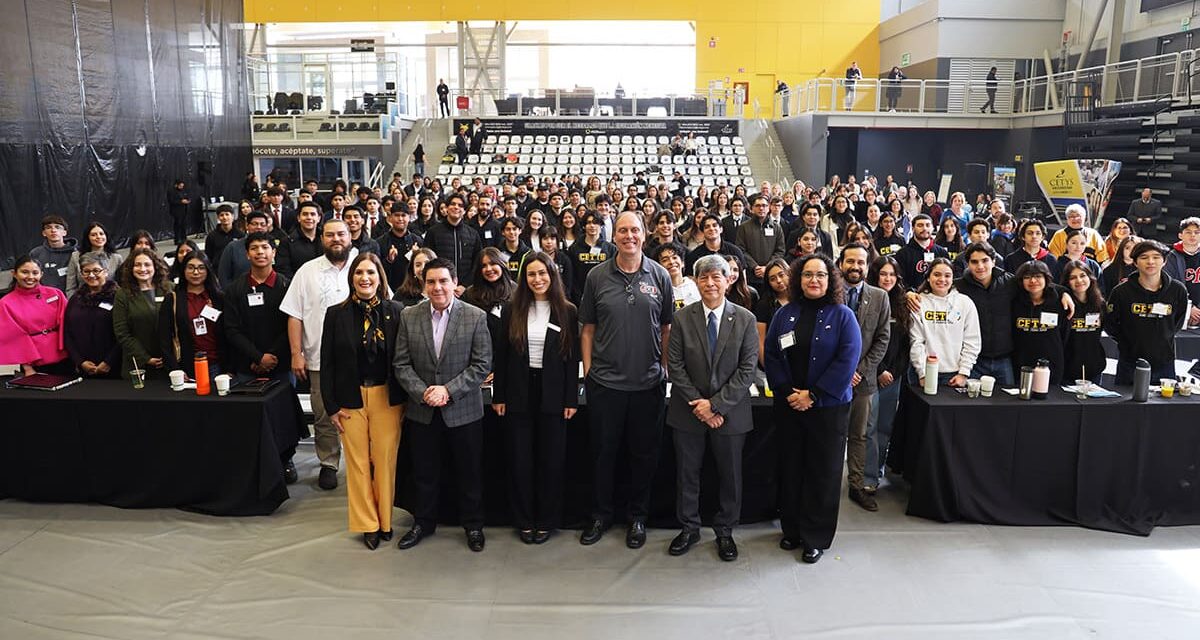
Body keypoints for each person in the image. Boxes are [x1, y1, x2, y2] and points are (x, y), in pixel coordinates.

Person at [578, 212, 674, 549]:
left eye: (635, 230)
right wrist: (589, 372)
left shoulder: (660, 275)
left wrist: (663, 368)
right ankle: (600, 515)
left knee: (643, 456)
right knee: (603, 455)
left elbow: (666, 328)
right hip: (605, 384)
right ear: (613, 235)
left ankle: (637, 518)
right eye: (622, 230)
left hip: (648, 385)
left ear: (644, 235)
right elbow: (587, 328)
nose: (629, 236)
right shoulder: (596, 276)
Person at [763, 253, 861, 564]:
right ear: (798, 279)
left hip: (828, 408)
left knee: (823, 472)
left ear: (831, 279)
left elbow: (847, 360)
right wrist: (788, 392)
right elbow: (772, 355)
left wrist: (813, 396)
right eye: (807, 275)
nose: (814, 280)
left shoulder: (843, 315)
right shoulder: (785, 314)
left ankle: (815, 536)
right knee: (791, 467)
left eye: (820, 275)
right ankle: (791, 529)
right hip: (789, 404)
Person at [393, 258, 493, 552]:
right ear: (423, 285)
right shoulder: (409, 316)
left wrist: (447, 391)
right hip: (422, 410)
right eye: (431, 282)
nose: (437, 287)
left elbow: (481, 364)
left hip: (463, 410)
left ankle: (473, 525)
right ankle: (423, 522)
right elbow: (401, 364)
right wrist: (423, 392)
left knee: (469, 472)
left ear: (454, 282)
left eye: (443, 281)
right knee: (425, 472)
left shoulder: (475, 316)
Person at [664, 254, 758, 561]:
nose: (710, 283)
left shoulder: (744, 318)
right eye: (703, 277)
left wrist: (716, 406)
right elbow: (675, 365)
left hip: (730, 413)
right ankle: (689, 527)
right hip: (688, 411)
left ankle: (725, 531)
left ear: (728, 280)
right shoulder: (681, 317)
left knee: (730, 475)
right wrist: (700, 406)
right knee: (686, 474)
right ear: (695, 281)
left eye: (717, 276)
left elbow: (747, 370)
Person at [318, 252, 406, 550]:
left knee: (384, 461)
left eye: (370, 272)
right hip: (349, 399)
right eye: (358, 273)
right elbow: (326, 363)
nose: (364, 278)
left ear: (380, 277)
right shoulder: (335, 314)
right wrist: (331, 406)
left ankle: (385, 521)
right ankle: (367, 523)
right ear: (351, 277)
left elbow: (403, 360)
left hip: (387, 397)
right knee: (357, 464)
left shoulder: (396, 312)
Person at [492, 252, 580, 545]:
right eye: (531, 274)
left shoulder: (567, 310)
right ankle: (524, 520)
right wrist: (499, 395)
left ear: (552, 275)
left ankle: (547, 519)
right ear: (523, 278)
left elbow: (571, 359)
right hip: (518, 391)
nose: (537, 279)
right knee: (520, 460)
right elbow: (501, 357)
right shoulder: (511, 310)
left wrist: (570, 400)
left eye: (542, 273)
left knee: (551, 460)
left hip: (554, 394)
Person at [280, 219, 358, 490]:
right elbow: (294, 315)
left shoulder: (364, 266)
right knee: (324, 414)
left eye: (341, 234)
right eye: (330, 235)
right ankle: (328, 463)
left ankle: (366, 464)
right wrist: (296, 352)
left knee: (362, 413)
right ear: (321, 239)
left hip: (361, 361)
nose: (336, 239)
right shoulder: (307, 271)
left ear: (351, 236)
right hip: (318, 359)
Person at [839, 243, 891, 513]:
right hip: (832, 381)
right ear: (841, 264)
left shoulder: (880, 297)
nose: (855, 266)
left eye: (860, 262)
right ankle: (826, 484)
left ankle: (857, 484)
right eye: (850, 261)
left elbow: (882, 339)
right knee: (832, 434)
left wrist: (860, 371)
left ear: (867, 266)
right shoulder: (829, 294)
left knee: (859, 435)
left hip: (864, 381)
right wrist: (843, 372)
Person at [1103, 240, 1190, 384]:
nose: (1150, 261)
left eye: (1156, 257)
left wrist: (1162, 336)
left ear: (1164, 261)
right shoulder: (1121, 292)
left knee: (1165, 406)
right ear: (1135, 262)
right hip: (1130, 362)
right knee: (1127, 405)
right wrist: (1127, 342)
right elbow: (1110, 323)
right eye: (1144, 257)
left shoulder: (1177, 290)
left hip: (1164, 362)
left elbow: (1178, 322)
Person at [866, 255, 909, 490]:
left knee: (885, 427)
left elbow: (906, 346)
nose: (888, 278)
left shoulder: (903, 302)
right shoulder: (868, 299)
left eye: (892, 274)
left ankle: (878, 468)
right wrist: (880, 370)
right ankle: (868, 477)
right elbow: (866, 341)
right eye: (883, 274)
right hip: (871, 375)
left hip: (894, 377)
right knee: (868, 428)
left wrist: (893, 372)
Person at [908, 258, 981, 388]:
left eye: (947, 275)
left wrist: (964, 373)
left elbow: (972, 341)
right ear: (928, 277)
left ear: (953, 278)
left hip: (955, 375)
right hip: (925, 373)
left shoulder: (965, 303)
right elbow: (916, 341)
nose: (942, 279)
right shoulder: (918, 302)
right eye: (937, 275)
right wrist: (923, 373)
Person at [159, 250, 225, 380]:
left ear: (208, 271)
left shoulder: (219, 298)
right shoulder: (173, 300)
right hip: (187, 368)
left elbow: (229, 333)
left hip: (218, 366)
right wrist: (175, 370)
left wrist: (230, 369)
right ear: (183, 270)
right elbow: (164, 339)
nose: (196, 272)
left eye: (201, 268)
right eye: (191, 268)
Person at [0, 256, 69, 376]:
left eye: (35, 273)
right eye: (24, 272)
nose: (30, 277)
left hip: (64, 356)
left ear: (41, 274)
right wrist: (27, 368)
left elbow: (68, 325)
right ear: (14, 274)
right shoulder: (6, 303)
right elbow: (13, 338)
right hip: (33, 361)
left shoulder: (55, 294)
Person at [112, 248, 173, 381]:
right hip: (137, 365)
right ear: (131, 269)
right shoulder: (123, 295)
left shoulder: (170, 289)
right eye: (137, 265)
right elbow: (122, 333)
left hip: (171, 363)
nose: (142, 268)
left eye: (147, 264)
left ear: (155, 266)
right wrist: (146, 358)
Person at [1011, 261, 1069, 385]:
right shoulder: (1014, 301)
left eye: (1038, 276)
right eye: (1027, 277)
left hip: (1051, 364)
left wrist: (1064, 292)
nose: (1032, 281)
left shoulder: (1058, 302)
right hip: (1020, 364)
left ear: (1046, 278)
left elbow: (1065, 332)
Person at [64, 253, 121, 378]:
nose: (91, 275)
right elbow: (67, 333)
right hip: (82, 368)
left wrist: (108, 362)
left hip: (114, 367)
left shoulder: (119, 297)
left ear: (106, 272)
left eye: (96, 270)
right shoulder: (75, 299)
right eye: (86, 271)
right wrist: (80, 361)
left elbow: (125, 333)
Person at [422, 192, 481, 295]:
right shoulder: (433, 232)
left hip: (466, 291)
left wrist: (464, 286)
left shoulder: (473, 234)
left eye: (460, 205)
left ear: (464, 210)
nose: (456, 207)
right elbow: (429, 261)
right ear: (447, 208)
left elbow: (477, 263)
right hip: (440, 289)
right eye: (453, 204)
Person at [463, 246, 516, 358]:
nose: (488, 269)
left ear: (501, 264)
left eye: (493, 263)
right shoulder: (470, 294)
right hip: (480, 355)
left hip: (510, 355)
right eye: (484, 266)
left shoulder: (515, 291)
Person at [1062, 260, 1107, 385]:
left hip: (1094, 368)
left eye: (1083, 276)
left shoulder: (1100, 304)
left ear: (1090, 278)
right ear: (1067, 282)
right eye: (1073, 278)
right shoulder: (1063, 304)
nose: (1079, 281)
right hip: (1067, 371)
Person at [736, 193, 786, 294]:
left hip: (771, 275)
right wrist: (754, 266)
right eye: (758, 206)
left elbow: (780, 250)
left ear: (769, 208)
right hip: (751, 276)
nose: (761, 208)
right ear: (752, 208)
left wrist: (767, 267)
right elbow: (740, 250)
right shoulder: (743, 227)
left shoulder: (776, 227)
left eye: (764, 205)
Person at [66, 221, 123, 296]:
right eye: (93, 235)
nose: (99, 237)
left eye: (101, 234)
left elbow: (122, 285)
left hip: (110, 301)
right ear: (87, 238)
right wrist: (75, 303)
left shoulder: (117, 258)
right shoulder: (75, 256)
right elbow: (70, 287)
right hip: (82, 301)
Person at [217, 210, 269, 288]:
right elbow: (223, 276)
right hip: (238, 294)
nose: (259, 227)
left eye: (262, 224)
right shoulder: (233, 247)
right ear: (247, 225)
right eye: (255, 224)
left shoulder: (271, 246)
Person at [29, 215, 78, 296]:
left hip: (71, 298)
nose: (53, 230)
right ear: (44, 233)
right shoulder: (35, 253)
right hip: (44, 299)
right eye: (48, 227)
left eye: (57, 227)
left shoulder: (76, 253)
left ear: (64, 232)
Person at [1165, 217, 1200, 329]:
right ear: (1180, 235)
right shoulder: (1172, 257)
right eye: (1188, 232)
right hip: (1181, 310)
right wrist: (1189, 309)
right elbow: (1169, 286)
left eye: (1196, 232)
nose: (1193, 235)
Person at [895, 214, 949, 287]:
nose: (925, 228)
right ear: (913, 228)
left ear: (932, 228)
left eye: (928, 225)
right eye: (920, 225)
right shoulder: (902, 254)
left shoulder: (942, 252)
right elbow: (900, 280)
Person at [377, 204, 423, 290]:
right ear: (390, 218)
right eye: (397, 215)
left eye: (403, 215)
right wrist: (389, 260)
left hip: (413, 289)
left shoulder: (417, 241)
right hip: (389, 289)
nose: (400, 219)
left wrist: (416, 256)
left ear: (409, 218)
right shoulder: (380, 242)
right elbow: (377, 269)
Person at [754, 257, 790, 364]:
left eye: (781, 275)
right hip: (775, 357)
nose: (778, 281)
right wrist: (768, 367)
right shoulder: (764, 304)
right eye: (772, 279)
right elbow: (761, 340)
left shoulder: (800, 299)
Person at [276, 202, 323, 278]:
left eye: (313, 214)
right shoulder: (287, 242)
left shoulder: (326, 239)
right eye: (305, 214)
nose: (309, 217)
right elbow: (283, 270)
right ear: (298, 218)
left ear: (319, 218)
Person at [651, 242, 700, 311]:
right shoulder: (657, 291)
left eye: (674, 258)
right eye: (665, 260)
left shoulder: (696, 286)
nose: (671, 262)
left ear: (682, 262)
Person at [168, 179, 192, 245]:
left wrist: (187, 200)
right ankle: (177, 239)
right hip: (176, 210)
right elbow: (171, 201)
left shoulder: (183, 191)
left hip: (184, 210)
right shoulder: (171, 191)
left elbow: (187, 197)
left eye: (182, 186)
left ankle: (184, 238)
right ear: (176, 185)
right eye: (180, 186)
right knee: (178, 224)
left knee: (183, 224)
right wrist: (180, 201)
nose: (181, 187)